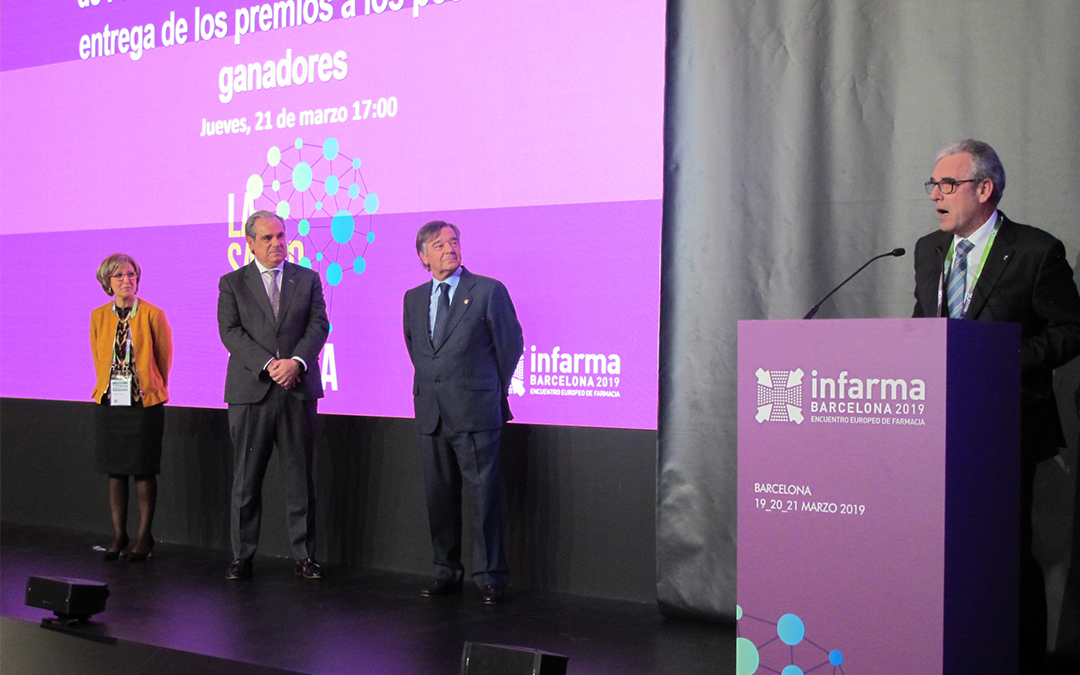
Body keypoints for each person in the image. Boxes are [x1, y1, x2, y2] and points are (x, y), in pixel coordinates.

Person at [913, 139, 1080, 671]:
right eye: (933, 184)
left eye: (948, 184)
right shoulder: (928, 250)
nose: (936, 195)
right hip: (939, 426)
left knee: (1003, 551)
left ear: (984, 189)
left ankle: (1020, 659)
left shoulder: (1035, 250)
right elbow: (924, 327)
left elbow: (1070, 330)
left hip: (1007, 426)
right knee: (942, 550)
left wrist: (1001, 358)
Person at [403, 220, 524, 605]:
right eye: (439, 245)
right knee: (438, 498)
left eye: (453, 241)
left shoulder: (488, 291)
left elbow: (511, 346)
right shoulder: (413, 298)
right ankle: (445, 570)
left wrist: (487, 388)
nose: (449, 249)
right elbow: (417, 349)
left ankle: (489, 576)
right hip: (431, 411)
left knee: (483, 497)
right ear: (423, 256)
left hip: (476, 410)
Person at [218, 210, 329, 580]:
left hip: (297, 390)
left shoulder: (307, 278)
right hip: (252, 392)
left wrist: (296, 362)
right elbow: (230, 332)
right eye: (267, 238)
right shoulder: (233, 282)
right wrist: (269, 365)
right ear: (250, 243)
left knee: (300, 479)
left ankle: (304, 556)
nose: (276, 243)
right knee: (246, 480)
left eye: (280, 236)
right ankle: (242, 556)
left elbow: (319, 325)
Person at [91, 253, 173, 562]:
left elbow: (164, 358)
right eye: (120, 276)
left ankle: (144, 537)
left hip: (144, 404)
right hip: (112, 403)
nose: (127, 280)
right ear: (107, 281)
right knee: (115, 471)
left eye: (131, 274)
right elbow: (98, 356)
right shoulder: (98, 316)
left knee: (143, 471)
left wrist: (153, 387)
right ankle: (118, 535)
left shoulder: (153, 313)